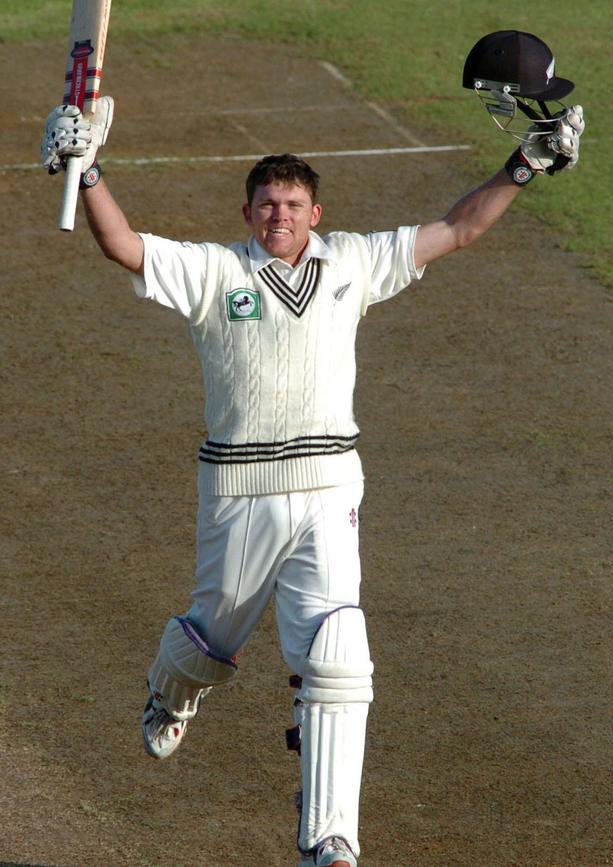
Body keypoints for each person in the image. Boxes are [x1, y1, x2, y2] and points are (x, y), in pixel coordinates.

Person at [41, 30, 584, 867]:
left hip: (331, 485)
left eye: (294, 205)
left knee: (338, 652)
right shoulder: (215, 271)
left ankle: (329, 841)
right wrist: (91, 169)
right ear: (247, 214)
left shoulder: (355, 264)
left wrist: (524, 165)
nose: (280, 216)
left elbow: (457, 230)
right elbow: (124, 247)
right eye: (266, 205)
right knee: (209, 641)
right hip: (238, 490)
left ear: (316, 213)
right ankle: (168, 694)